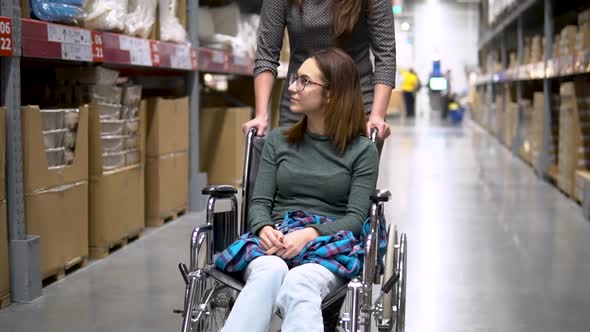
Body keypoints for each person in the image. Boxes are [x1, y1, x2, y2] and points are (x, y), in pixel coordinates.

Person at [219, 49, 379, 332]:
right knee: (271, 270)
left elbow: (356, 219)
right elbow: (259, 203)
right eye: (295, 79)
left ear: (331, 94)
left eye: (304, 81)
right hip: (277, 237)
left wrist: (309, 234)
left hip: (330, 244)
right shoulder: (278, 141)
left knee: (300, 281)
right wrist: (264, 228)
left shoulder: (362, 151)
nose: (292, 87)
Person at [242, 0, 396, 142]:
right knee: (293, 171)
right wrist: (261, 114)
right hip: (300, 107)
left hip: (355, 107)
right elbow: (266, 55)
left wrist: (377, 115)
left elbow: (385, 54)